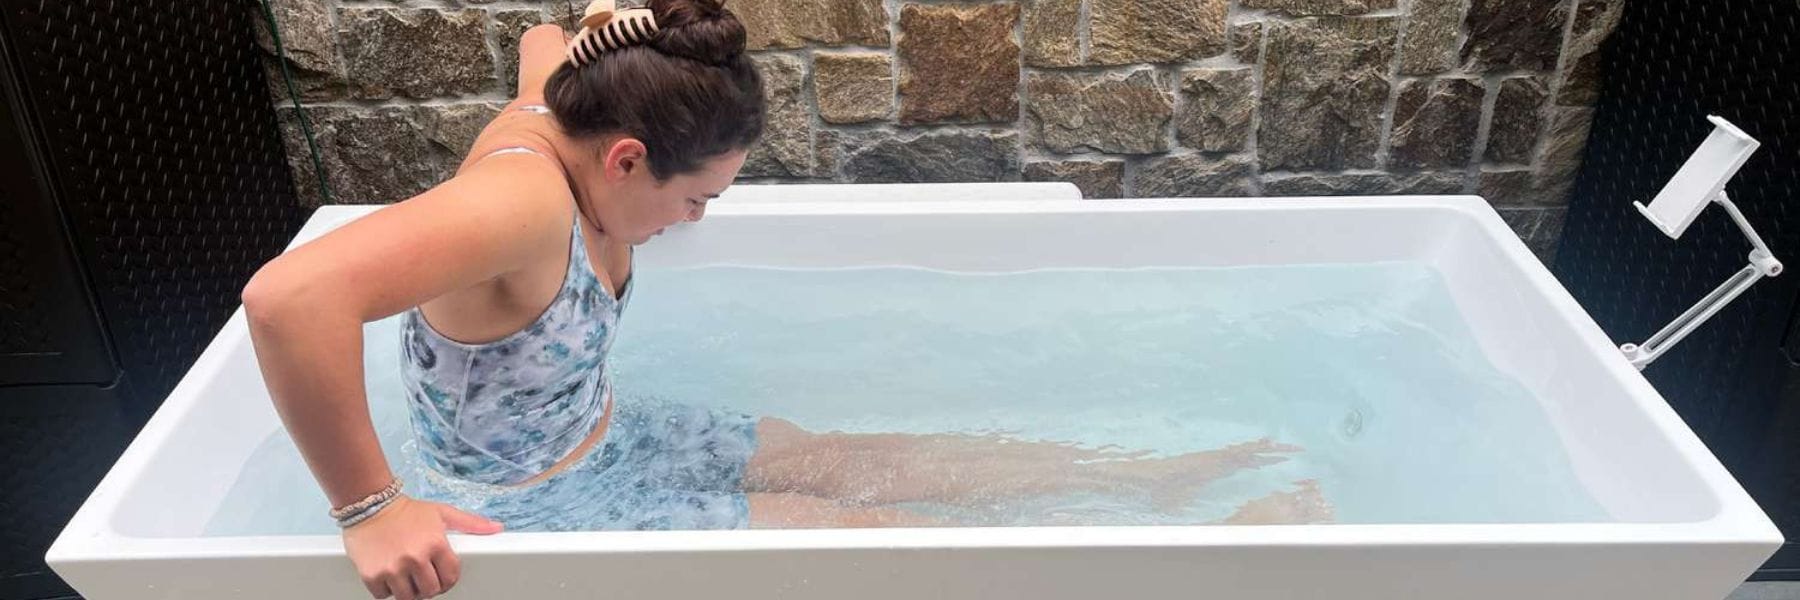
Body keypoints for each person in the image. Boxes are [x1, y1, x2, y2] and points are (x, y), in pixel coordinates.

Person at [242, 2, 1328, 598]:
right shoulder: (516, 205)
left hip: (620, 444)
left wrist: (627, 28)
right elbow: (292, 297)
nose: (699, 222)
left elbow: (549, 39)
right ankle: (1213, 549)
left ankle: (1154, 484)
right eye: (696, 197)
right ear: (624, 161)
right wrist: (372, 509)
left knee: (869, 461)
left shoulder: (556, 105)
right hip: (542, 509)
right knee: (865, 536)